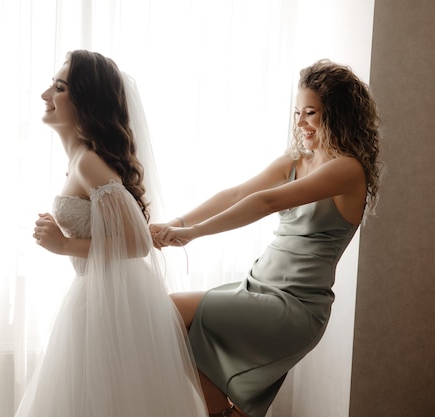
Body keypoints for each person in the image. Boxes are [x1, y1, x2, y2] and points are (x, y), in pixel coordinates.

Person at [151, 59, 381, 417]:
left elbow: (266, 201)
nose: (300, 122)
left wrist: (191, 234)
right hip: (255, 287)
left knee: (167, 311)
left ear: (338, 114)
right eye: (296, 112)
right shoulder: (294, 162)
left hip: (294, 306)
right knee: (180, 335)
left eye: (310, 112)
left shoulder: (347, 169)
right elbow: (236, 194)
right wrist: (177, 222)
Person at [15, 50, 207, 417]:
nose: (45, 96)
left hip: (112, 302)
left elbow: (135, 242)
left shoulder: (88, 161)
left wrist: (63, 244)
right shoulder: (80, 160)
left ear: (86, 100)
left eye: (58, 88)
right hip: (101, 294)